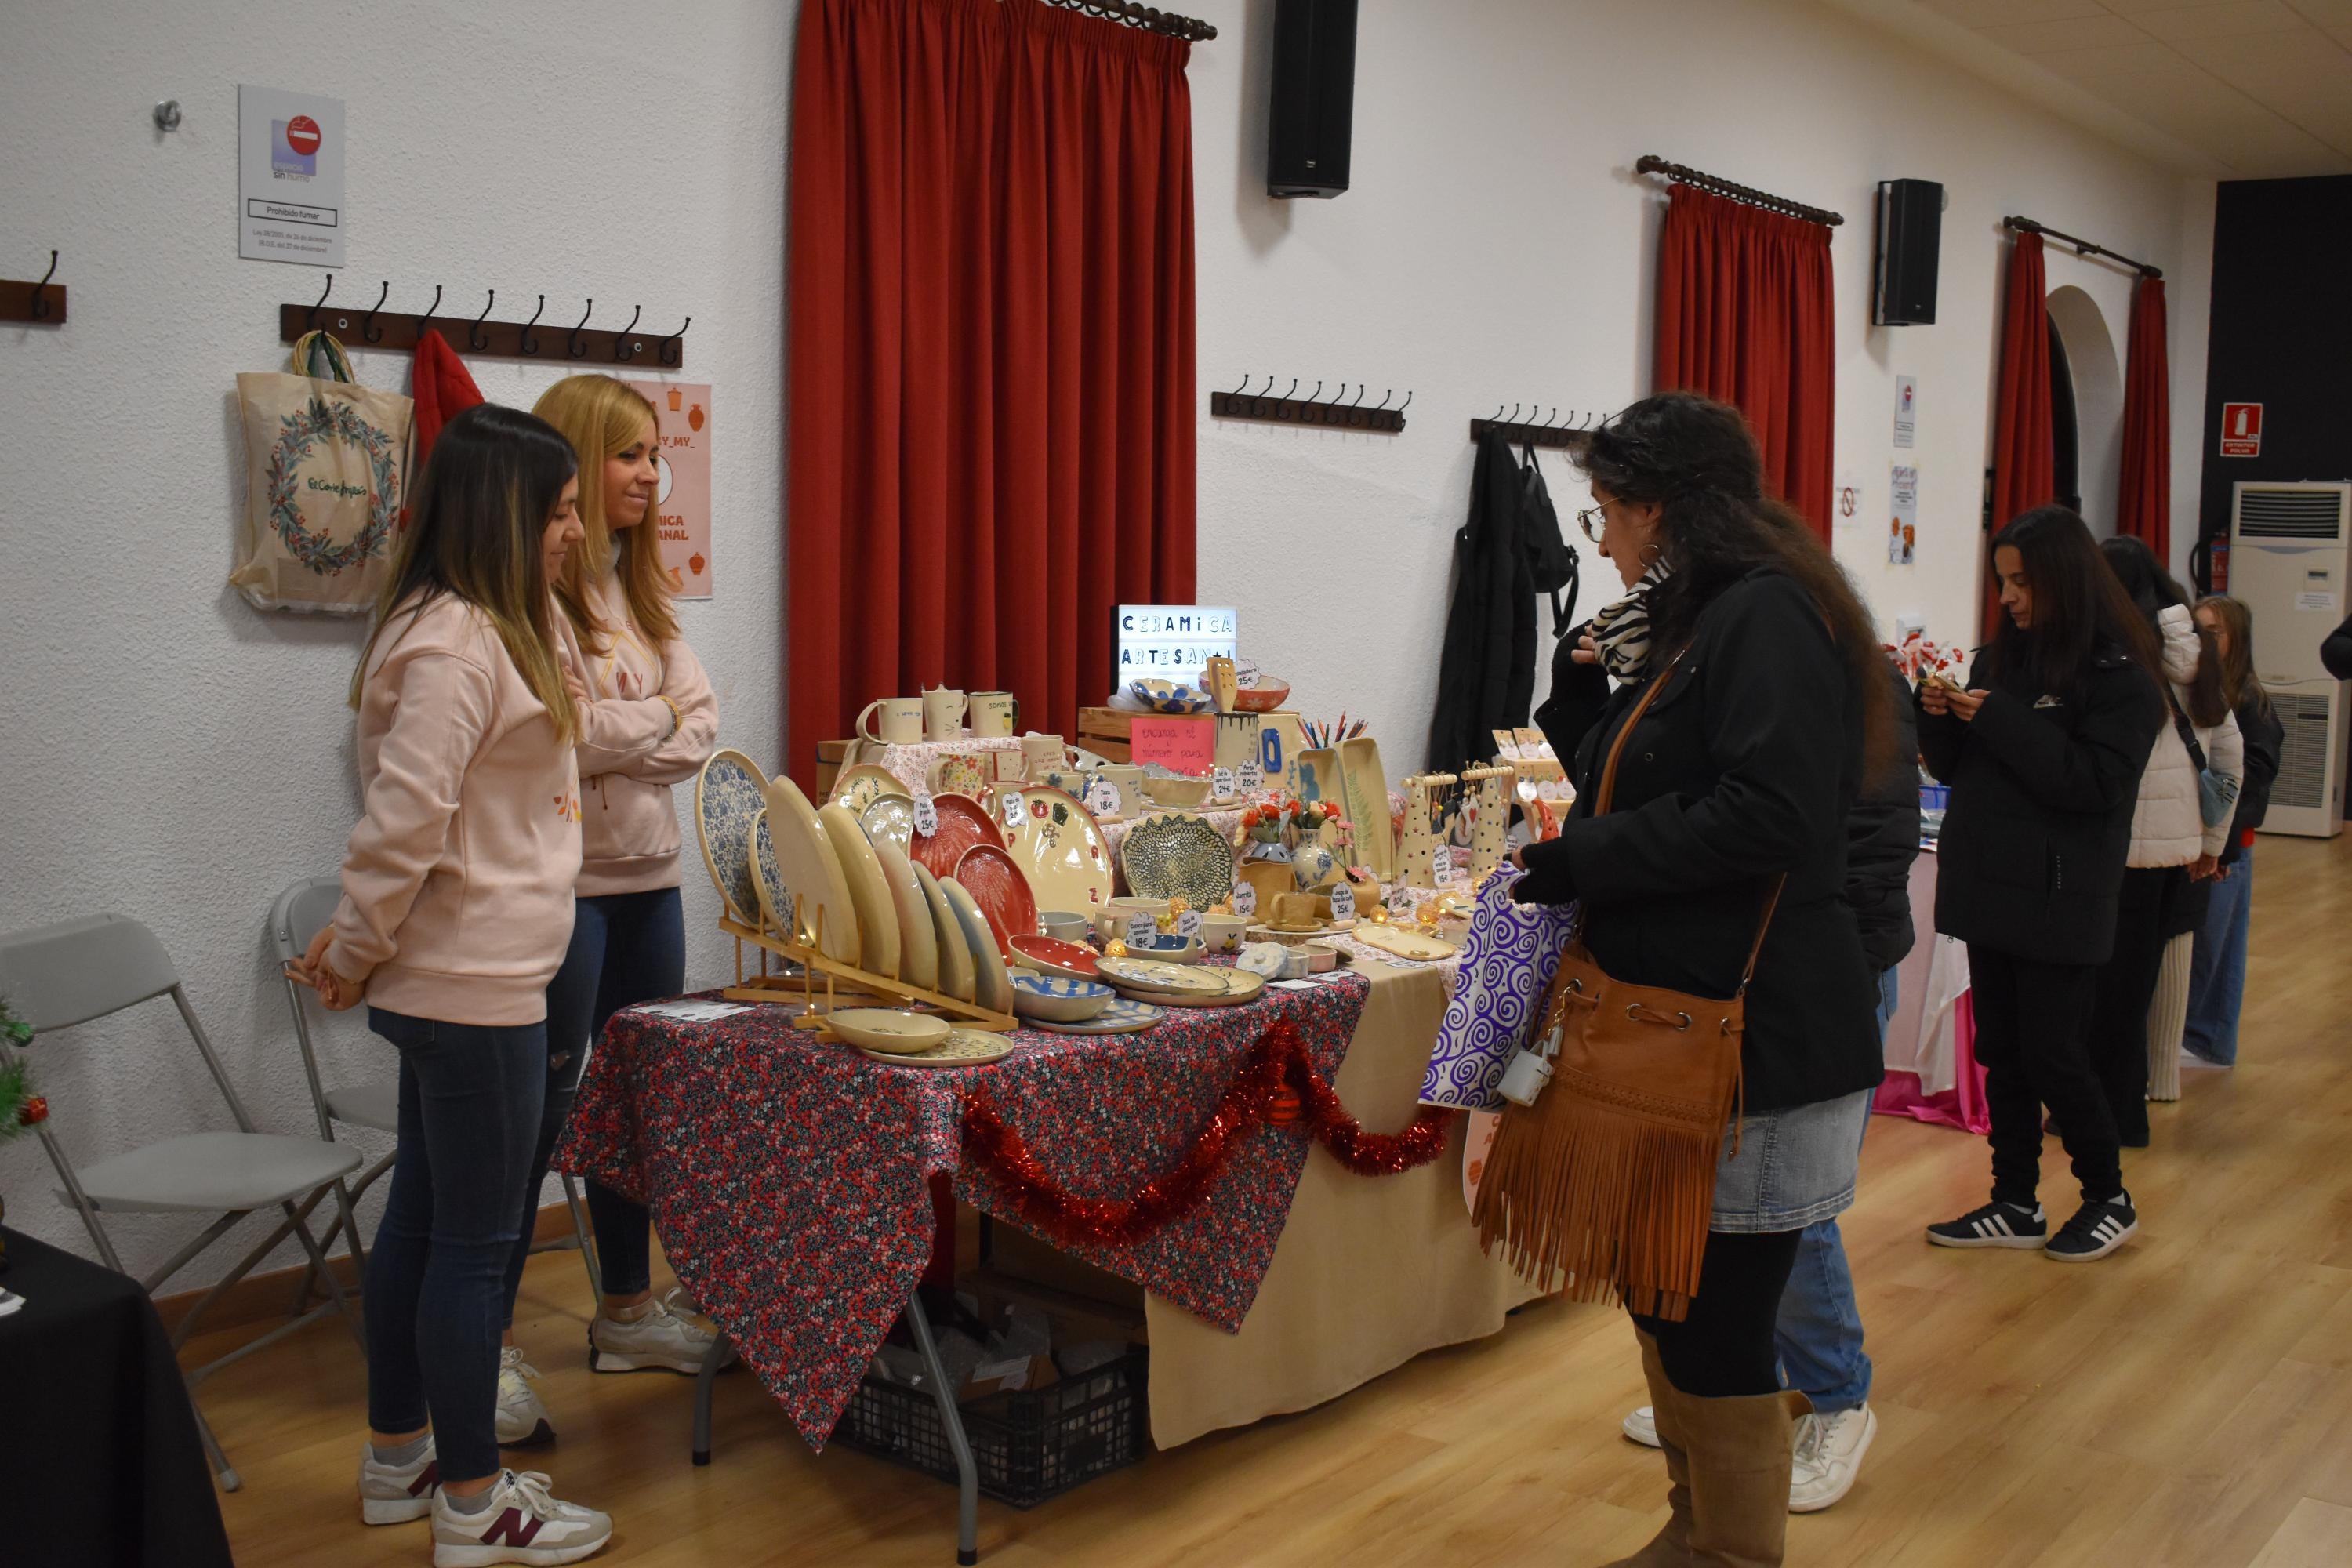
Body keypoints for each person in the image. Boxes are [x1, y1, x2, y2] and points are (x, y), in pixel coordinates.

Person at [1513, 392, 1894, 1567]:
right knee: (1668, 1303)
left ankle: (1731, 1552)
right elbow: (1646, 776)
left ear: (1659, 510)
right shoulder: (1707, 615)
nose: (1606, 542)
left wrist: (1589, 859)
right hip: (1703, 1024)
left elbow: (1766, 814)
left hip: (1756, 1035)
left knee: (1717, 1320)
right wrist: (1584, 699)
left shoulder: (1766, 616)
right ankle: (1695, 1534)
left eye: (1608, 517)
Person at [289, 403, 612, 1563]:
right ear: (503, 515)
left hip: (480, 980)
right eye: (563, 513)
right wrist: (351, 945)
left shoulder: (485, 625)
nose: (576, 532)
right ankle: (476, 1507)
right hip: (469, 990)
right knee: (476, 1246)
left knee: (424, 1226)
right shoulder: (450, 645)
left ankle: (401, 1461)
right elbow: (404, 823)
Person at [1617, 661, 1918, 1516]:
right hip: (1747, 980)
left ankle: (1836, 1401)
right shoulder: (1747, 669)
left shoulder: (1832, 676)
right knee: (1739, 1212)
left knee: (1788, 1209)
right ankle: (1747, 1393)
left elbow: (1863, 844)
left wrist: (1836, 968)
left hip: (1817, 979)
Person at [492, 375, 723, 1448]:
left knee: (638, 1102)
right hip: (567, 893)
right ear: (577, 462)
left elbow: (700, 731)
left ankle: (627, 1310)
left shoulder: (646, 595)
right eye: (627, 455)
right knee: (535, 1116)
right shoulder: (530, 593)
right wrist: (647, 723)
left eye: (653, 457)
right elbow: (568, 740)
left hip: (647, 883)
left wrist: (628, 727)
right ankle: (481, 1345)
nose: (647, 476)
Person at [1920, 507, 2165, 1264]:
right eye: (2003, 583)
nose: (2012, 598)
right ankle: (2015, 1200)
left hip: (2063, 897)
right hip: (1991, 886)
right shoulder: (2003, 660)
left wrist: (1997, 722)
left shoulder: (2121, 676)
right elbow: (1959, 768)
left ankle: (2106, 1196)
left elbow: (2092, 785)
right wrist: (1937, 718)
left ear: (2064, 576)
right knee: (2004, 1051)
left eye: (2023, 582)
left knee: (2057, 1052)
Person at [2087, 537, 2241, 1142]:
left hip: (2117, 847)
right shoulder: (2193, 654)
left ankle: (2110, 1116)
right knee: (2136, 986)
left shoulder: (2116, 653)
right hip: (2173, 852)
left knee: (2103, 991)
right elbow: (2229, 753)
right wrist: (2212, 841)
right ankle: (2124, 1114)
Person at [2183, 596, 2283, 1065]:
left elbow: (2255, 778)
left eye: (2214, 632)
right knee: (2201, 943)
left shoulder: (2250, 703)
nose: (2203, 640)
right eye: (2196, 629)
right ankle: (2197, 1035)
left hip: (2228, 846)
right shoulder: (2195, 692)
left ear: (2235, 640)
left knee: (2215, 951)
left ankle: (2208, 1041)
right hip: (2203, 839)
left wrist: (2218, 840)